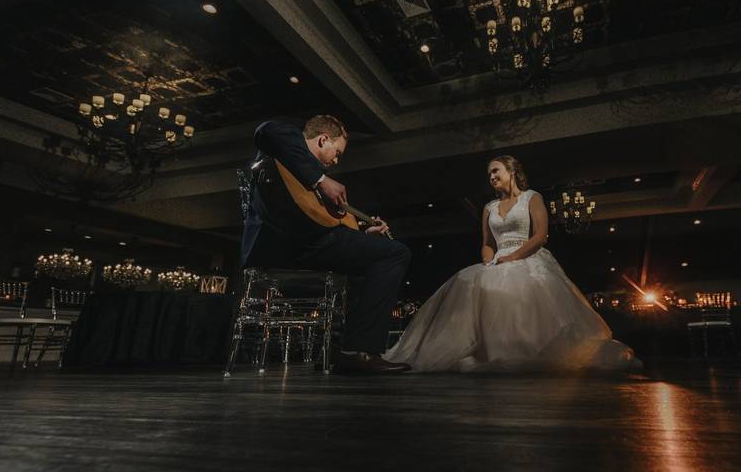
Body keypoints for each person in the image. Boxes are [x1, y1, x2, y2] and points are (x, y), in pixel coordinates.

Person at [384, 155, 641, 373]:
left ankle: (526, 349)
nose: (491, 177)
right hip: (496, 260)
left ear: (512, 171)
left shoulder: (532, 197)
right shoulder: (489, 207)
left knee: (524, 299)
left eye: (495, 171)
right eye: (489, 174)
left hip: (527, 255)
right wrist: (488, 261)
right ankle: (484, 350)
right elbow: (486, 242)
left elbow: (540, 235)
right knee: (467, 281)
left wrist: (513, 257)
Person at [242, 115, 412, 374]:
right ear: (323, 139)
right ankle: (358, 350)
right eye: (337, 153)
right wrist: (320, 179)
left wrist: (366, 233)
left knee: (374, 259)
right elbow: (267, 130)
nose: (335, 161)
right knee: (396, 253)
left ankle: (345, 350)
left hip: (309, 245)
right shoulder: (285, 147)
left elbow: (324, 221)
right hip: (287, 246)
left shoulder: (308, 182)